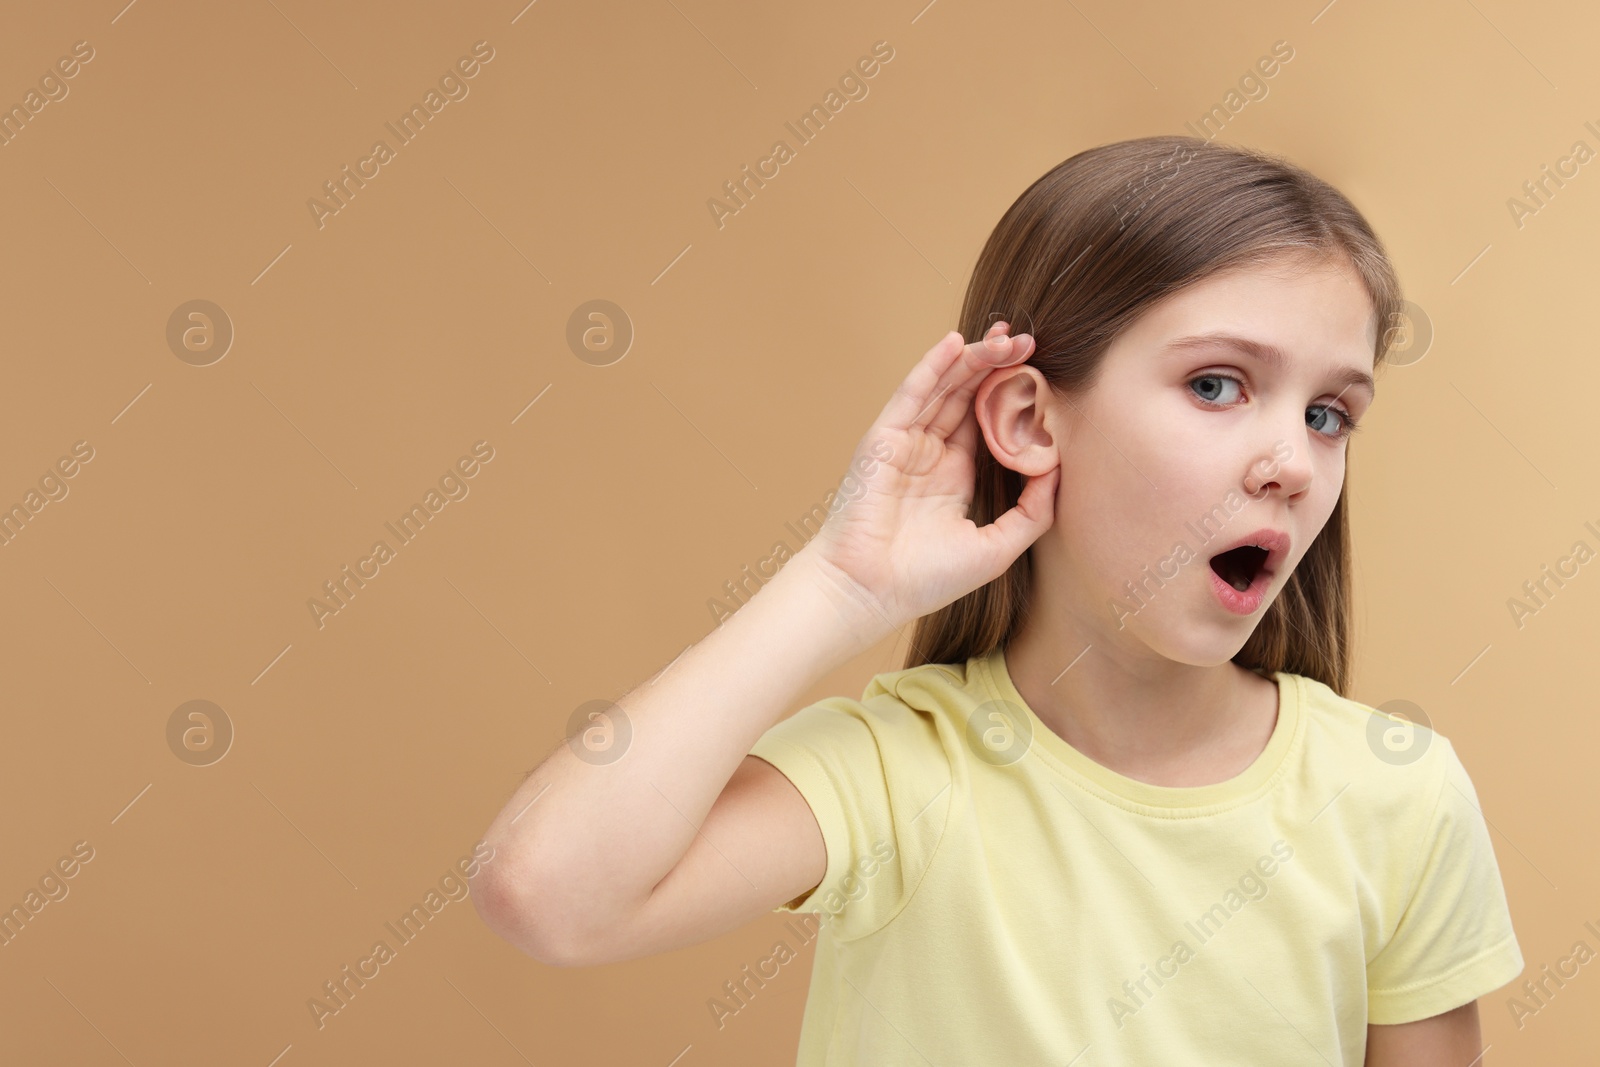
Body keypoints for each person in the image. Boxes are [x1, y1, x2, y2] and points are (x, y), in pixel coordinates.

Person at [469, 135, 1525, 1065]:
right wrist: (837, 585)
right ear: (1027, 417)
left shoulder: (1395, 795)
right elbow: (545, 892)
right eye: (1216, 384)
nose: (1291, 462)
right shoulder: (899, 768)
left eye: (1330, 412)